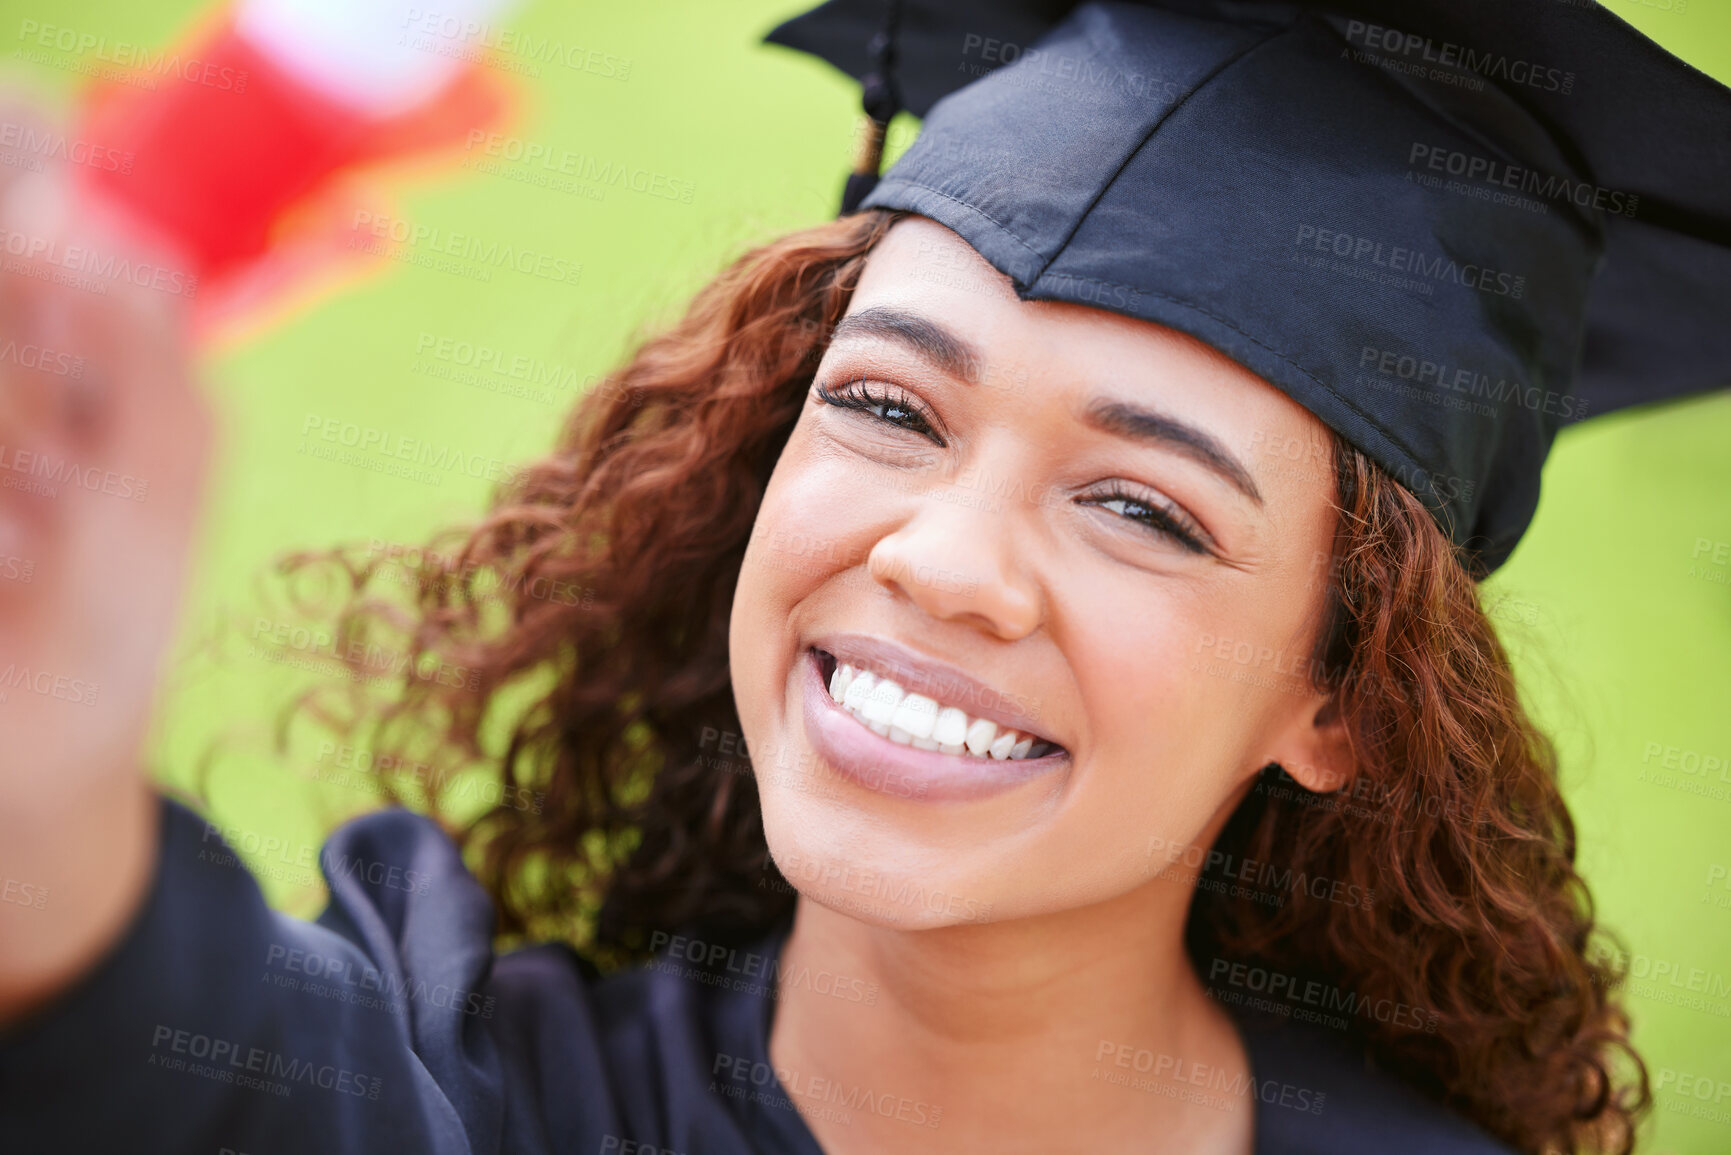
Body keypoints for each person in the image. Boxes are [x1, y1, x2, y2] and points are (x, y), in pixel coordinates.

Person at [4, 0, 1729, 1152]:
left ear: (1338, 696)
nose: (942, 558)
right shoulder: (479, 1087)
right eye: (892, 405)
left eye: (1143, 508)